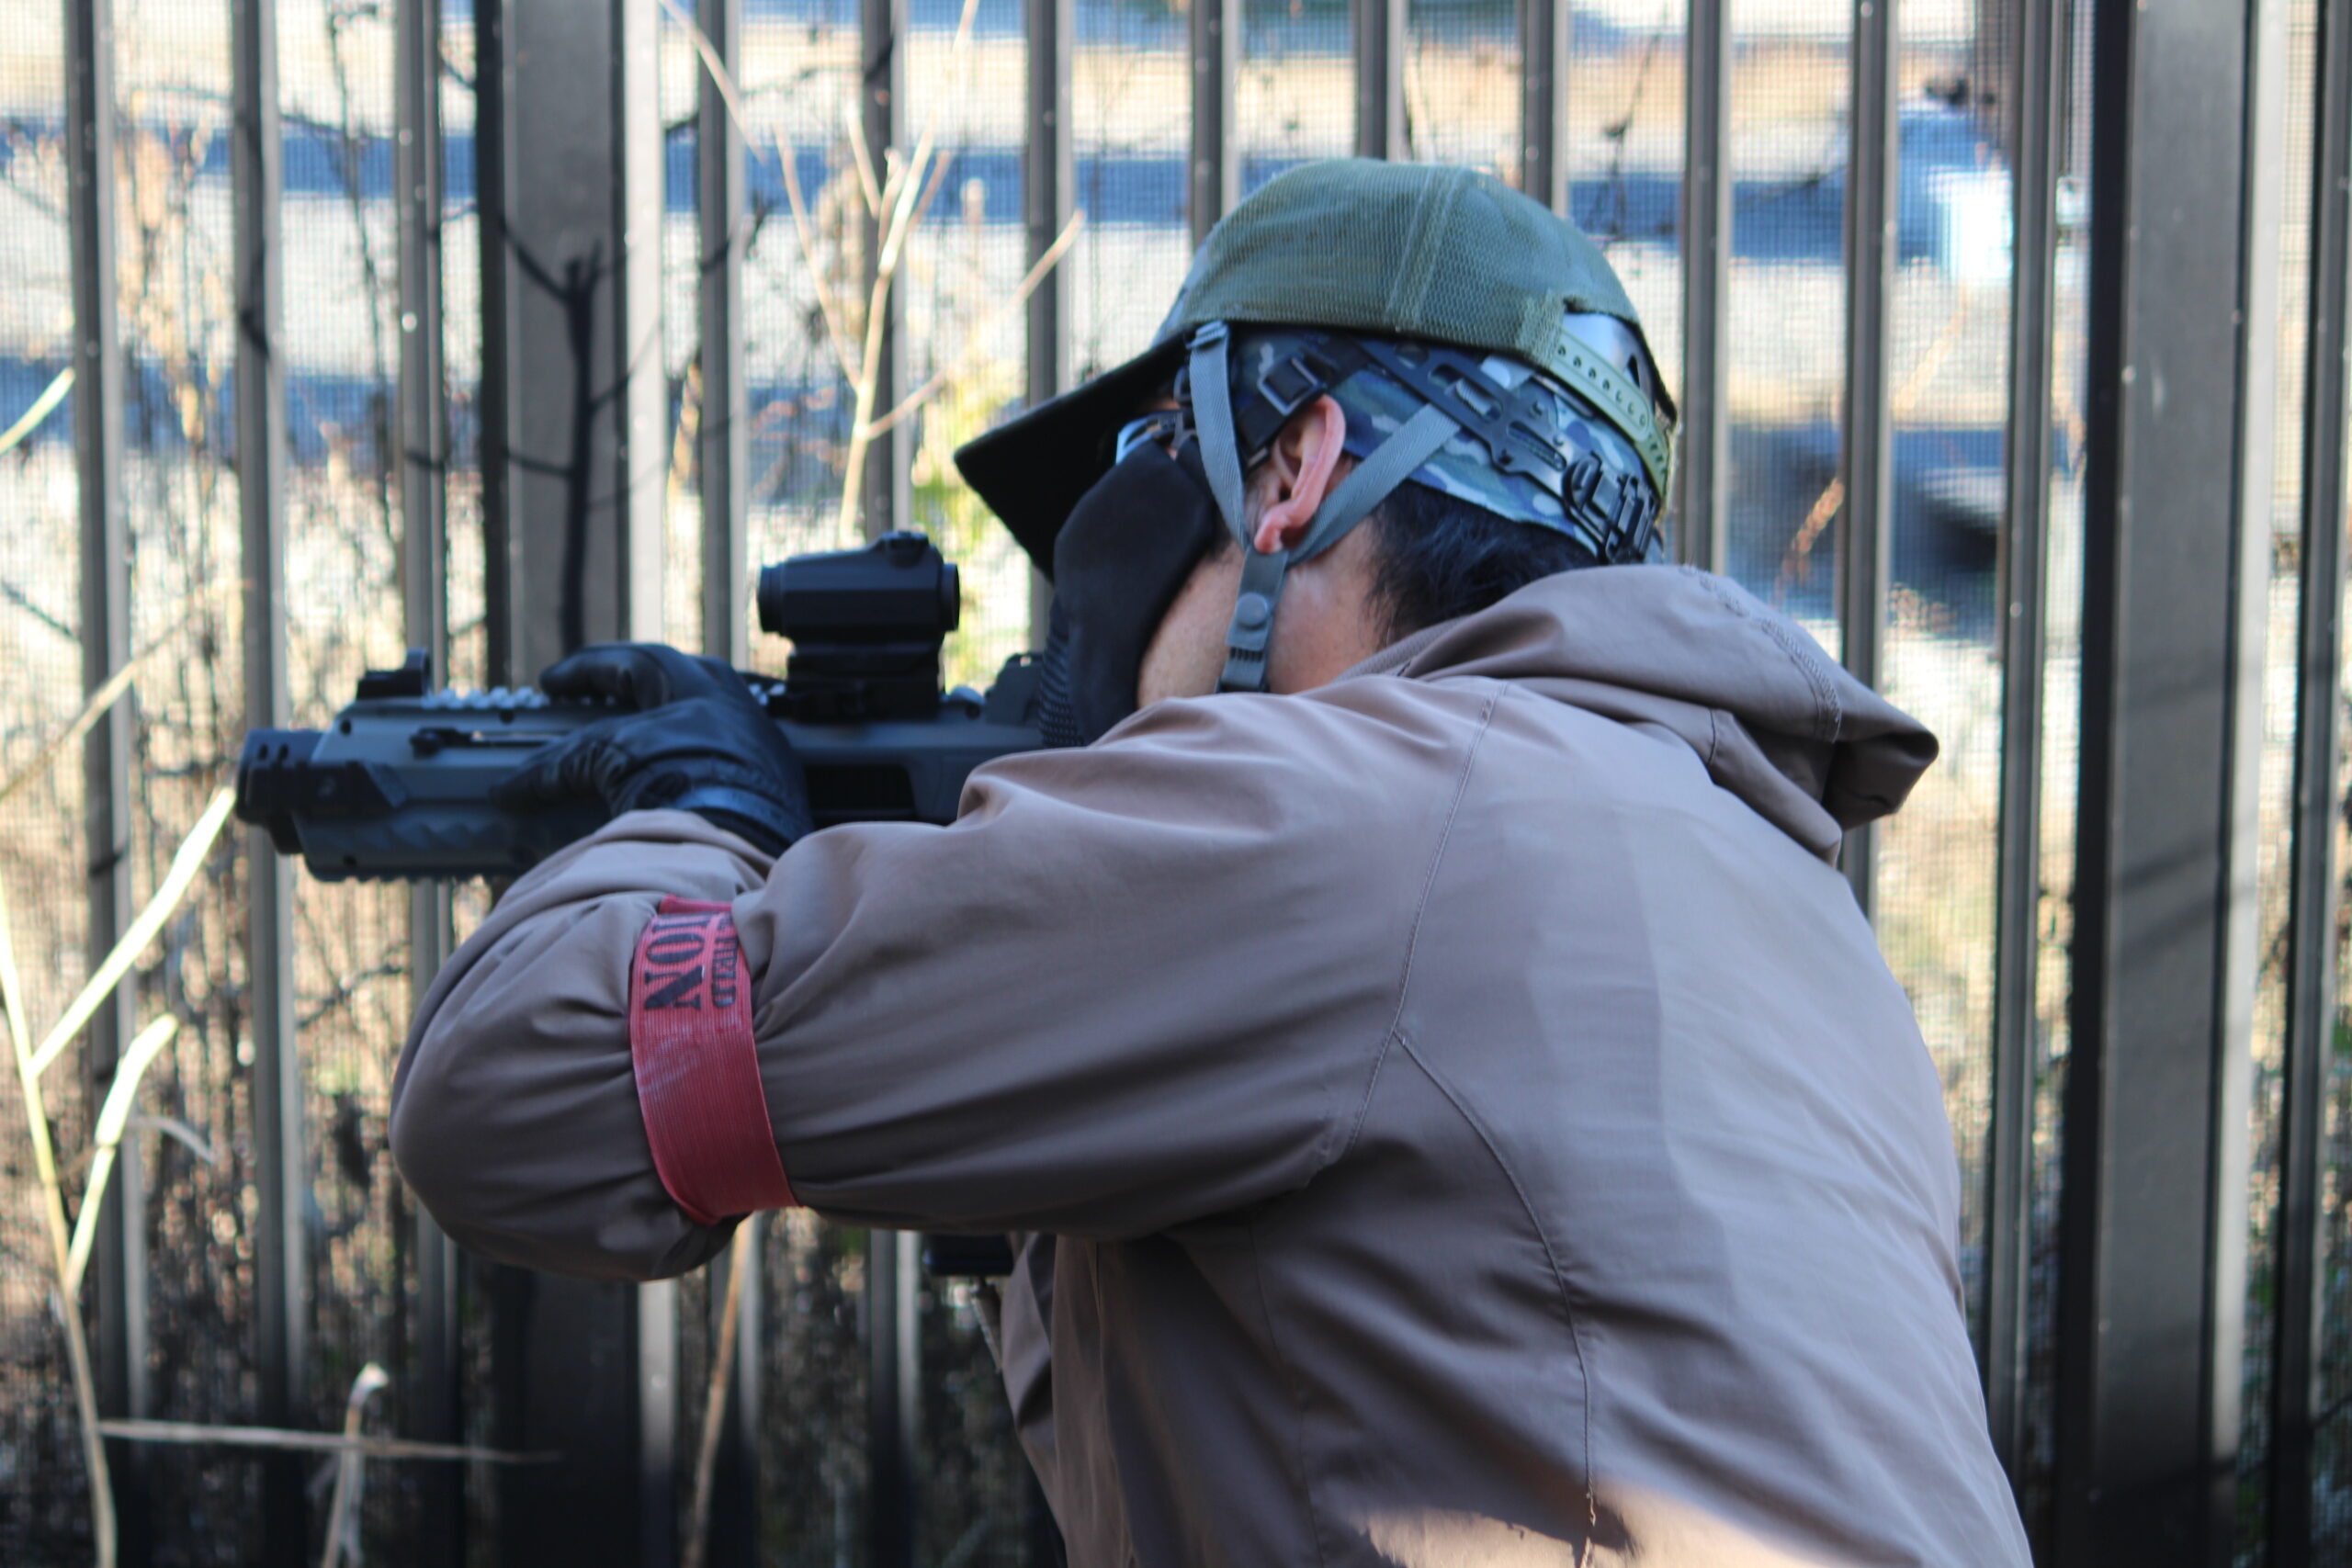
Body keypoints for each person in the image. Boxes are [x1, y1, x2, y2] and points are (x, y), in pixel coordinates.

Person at [390, 159, 2032, 1566]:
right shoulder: (1776, 900)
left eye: (1144, 468)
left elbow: (512, 1097)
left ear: (1293, 467)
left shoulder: (1347, 820)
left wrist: (713, 814)